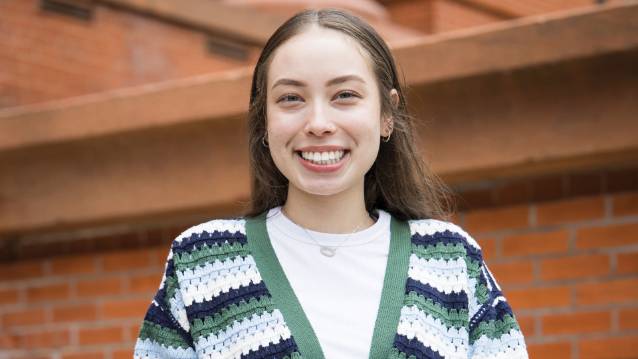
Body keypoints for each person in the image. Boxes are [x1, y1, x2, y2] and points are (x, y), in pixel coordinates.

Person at [134, 8, 528, 359]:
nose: (318, 123)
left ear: (386, 114)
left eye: (344, 95)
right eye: (291, 98)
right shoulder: (202, 263)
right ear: (264, 121)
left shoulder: (451, 261)